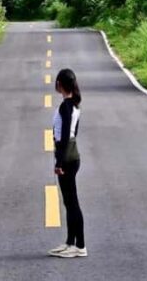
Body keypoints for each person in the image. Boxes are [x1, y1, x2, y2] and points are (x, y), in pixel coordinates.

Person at [48, 68, 87, 258]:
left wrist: (59, 162)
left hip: (68, 158)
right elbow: (74, 133)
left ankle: (80, 245)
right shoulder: (74, 105)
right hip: (72, 155)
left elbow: (63, 136)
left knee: (72, 204)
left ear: (60, 85)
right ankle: (70, 242)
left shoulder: (66, 107)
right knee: (69, 202)